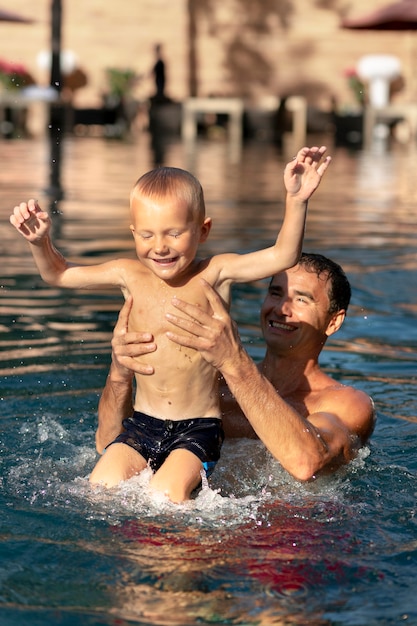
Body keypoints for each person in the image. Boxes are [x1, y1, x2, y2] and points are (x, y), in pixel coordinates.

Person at [10, 146, 331, 502]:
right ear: (133, 233)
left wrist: (297, 200)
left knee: (166, 493)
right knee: (99, 487)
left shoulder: (216, 272)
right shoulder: (127, 273)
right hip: (142, 423)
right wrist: (41, 242)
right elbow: (58, 274)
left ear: (203, 230)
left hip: (199, 429)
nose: (160, 247)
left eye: (174, 234)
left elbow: (283, 255)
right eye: (147, 236)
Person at [97, 253, 375, 482]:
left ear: (334, 322)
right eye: (275, 294)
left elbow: (306, 464)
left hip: (288, 537)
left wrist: (234, 362)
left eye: (301, 299)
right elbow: (108, 445)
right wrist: (120, 372)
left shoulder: (347, 403)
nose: (281, 309)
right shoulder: (212, 384)